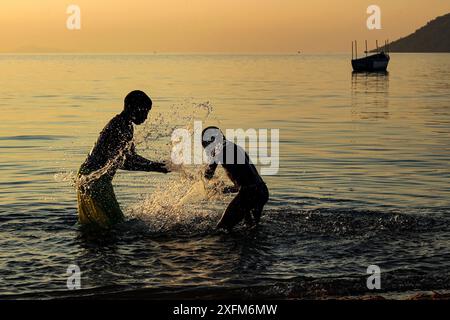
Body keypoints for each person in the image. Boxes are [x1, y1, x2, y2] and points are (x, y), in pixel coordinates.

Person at [77, 90, 170, 229]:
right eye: (144, 111)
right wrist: (154, 167)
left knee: (96, 226)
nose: (146, 117)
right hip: (95, 180)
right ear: (132, 108)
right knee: (116, 225)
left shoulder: (125, 125)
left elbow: (129, 156)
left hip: (88, 176)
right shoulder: (119, 126)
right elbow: (124, 162)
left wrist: (155, 165)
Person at [201, 126, 269, 231]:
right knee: (252, 229)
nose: (205, 148)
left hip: (249, 194)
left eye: (205, 143)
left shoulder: (218, 149)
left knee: (221, 229)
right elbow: (246, 181)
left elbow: (206, 176)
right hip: (261, 190)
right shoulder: (235, 147)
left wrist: (176, 169)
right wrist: (223, 189)